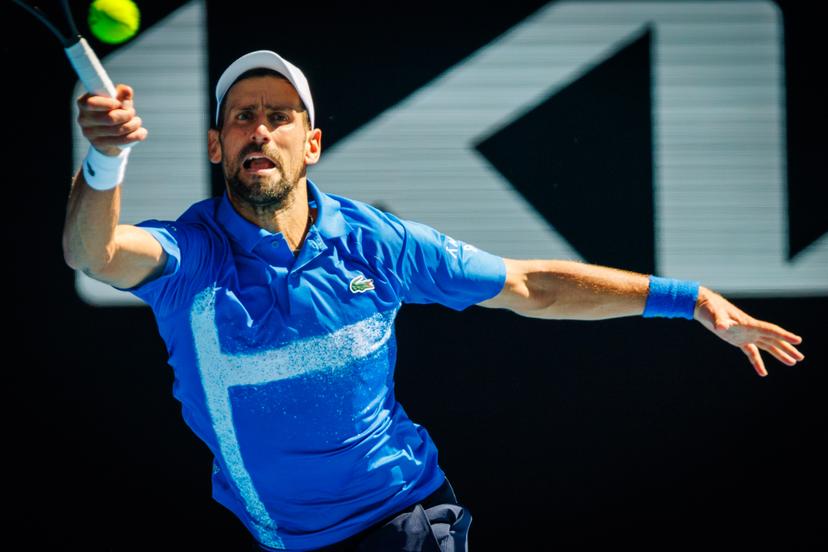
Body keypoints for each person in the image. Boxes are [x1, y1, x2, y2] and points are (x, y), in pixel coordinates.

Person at [63, 50, 806, 552]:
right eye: (243, 116)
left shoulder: (378, 245)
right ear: (218, 146)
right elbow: (92, 253)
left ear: (311, 143)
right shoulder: (192, 257)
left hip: (407, 519)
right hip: (280, 539)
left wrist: (691, 300)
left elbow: (530, 287)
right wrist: (105, 158)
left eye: (280, 115)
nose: (260, 128)